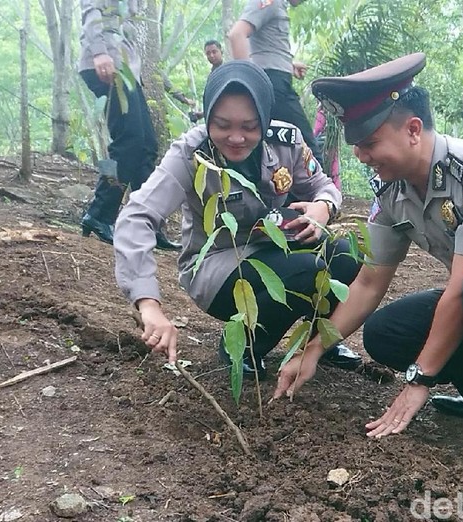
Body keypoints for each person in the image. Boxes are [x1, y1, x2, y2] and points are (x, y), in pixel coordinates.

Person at [273, 52, 463, 473]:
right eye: (357, 145)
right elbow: (369, 282)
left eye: (370, 142)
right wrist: (315, 348)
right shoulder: (391, 192)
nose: (361, 156)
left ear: (413, 129)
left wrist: (419, 381)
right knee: (386, 333)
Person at [114, 60, 362, 378]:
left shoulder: (286, 141)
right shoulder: (191, 153)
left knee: (343, 255)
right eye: (222, 125)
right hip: (216, 265)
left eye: (249, 126)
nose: (236, 137)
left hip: (274, 248)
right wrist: (148, 304)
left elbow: (323, 185)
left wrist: (323, 208)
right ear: (208, 119)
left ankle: (317, 342)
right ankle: (243, 346)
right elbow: (137, 216)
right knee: (308, 272)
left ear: (265, 116)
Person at [77, 0, 180, 251]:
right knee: (129, 142)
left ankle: (147, 224)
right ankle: (100, 213)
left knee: (146, 146)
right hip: (105, 62)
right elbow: (90, 8)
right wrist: (100, 51)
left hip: (126, 69)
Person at [228, 0, 323, 168]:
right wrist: (250, 83)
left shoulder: (277, 5)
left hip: (276, 80)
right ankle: (323, 193)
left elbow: (264, 48)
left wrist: (289, 66)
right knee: (308, 151)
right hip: (272, 86)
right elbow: (237, 34)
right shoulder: (268, 2)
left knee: (279, 149)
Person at [313, 104, 340, 190]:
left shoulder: (322, 114)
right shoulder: (334, 116)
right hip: (331, 147)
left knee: (320, 166)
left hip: (323, 146)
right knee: (334, 167)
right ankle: (336, 190)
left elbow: (316, 130)